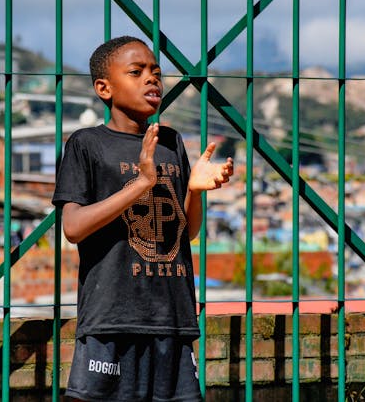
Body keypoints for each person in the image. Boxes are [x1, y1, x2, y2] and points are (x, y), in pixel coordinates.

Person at [52, 36, 234, 401]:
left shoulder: (170, 142)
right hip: (111, 319)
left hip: (173, 318)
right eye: (136, 72)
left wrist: (195, 191)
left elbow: (186, 231)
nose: (152, 79)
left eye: (156, 72)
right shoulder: (86, 144)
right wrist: (141, 184)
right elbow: (72, 228)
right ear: (104, 87)